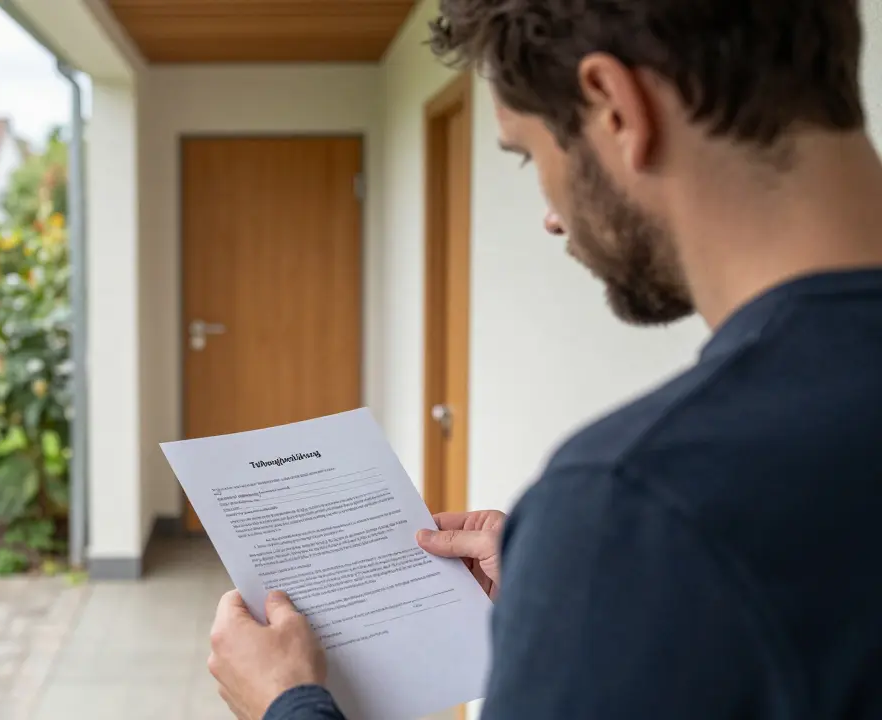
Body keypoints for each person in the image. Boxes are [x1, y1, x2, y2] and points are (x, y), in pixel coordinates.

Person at [206, 0, 882, 718]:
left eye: (529, 154)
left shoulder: (635, 506)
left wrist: (288, 704)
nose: (553, 216)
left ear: (617, 108)